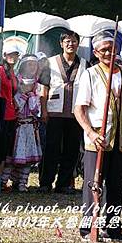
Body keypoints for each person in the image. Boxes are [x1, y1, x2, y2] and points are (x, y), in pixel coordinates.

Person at [74, 31, 122, 243]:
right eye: (104, 50)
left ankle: (113, 229)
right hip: (98, 141)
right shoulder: (90, 74)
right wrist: (91, 132)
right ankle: (88, 229)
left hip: (120, 140)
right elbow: (79, 109)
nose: (108, 53)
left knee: (115, 186)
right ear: (96, 52)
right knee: (93, 185)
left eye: (112, 49)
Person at [39, 29, 87, 194]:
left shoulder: (85, 64)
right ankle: (45, 183)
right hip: (54, 112)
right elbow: (43, 88)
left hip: (76, 114)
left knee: (71, 149)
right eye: (67, 41)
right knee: (51, 148)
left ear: (78, 44)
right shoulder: (49, 62)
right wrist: (44, 110)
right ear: (61, 44)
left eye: (74, 41)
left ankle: (64, 184)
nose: (70, 44)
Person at [1, 54, 43, 192]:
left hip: (30, 126)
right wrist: (25, 95)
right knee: (11, 156)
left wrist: (32, 97)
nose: (32, 67)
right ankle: (3, 181)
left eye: (34, 64)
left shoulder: (37, 83)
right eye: (29, 64)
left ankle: (22, 183)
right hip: (17, 124)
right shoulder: (17, 81)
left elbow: (37, 108)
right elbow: (15, 103)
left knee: (28, 157)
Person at [0, 42, 21, 183]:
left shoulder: (13, 72)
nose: (13, 57)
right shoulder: (1, 70)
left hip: (11, 113)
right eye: (10, 54)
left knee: (6, 147)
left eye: (15, 54)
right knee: (0, 145)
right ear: (4, 55)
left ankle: (0, 179)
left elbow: (12, 91)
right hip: (1, 112)